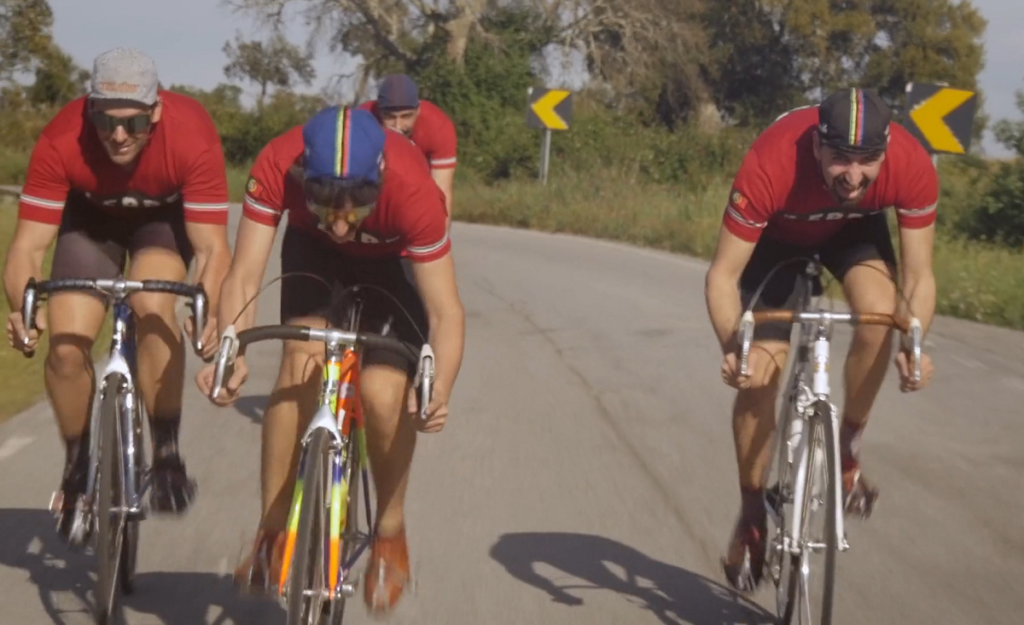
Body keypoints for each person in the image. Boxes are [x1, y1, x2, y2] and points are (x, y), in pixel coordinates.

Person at [195, 105, 465, 614]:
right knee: (299, 363)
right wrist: (232, 347)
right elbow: (246, 273)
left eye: (357, 204)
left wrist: (439, 387)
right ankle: (272, 535)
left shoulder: (413, 190)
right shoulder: (278, 161)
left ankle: (389, 532)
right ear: (304, 178)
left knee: (383, 395)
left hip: (392, 265)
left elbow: (445, 311)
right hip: (310, 255)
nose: (341, 224)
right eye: (323, 202)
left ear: (380, 177)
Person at [703, 88, 938, 592]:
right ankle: (751, 515)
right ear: (816, 148)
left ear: (887, 149)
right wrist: (733, 346)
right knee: (762, 368)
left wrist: (914, 345)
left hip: (852, 233)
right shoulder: (772, 162)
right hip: (777, 237)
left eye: (868, 161)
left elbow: (918, 279)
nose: (853, 177)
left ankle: (847, 457)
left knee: (879, 319)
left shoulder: (911, 164)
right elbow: (723, 277)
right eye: (840, 160)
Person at [2, 47, 231, 536]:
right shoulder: (63, 137)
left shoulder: (192, 134)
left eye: (134, 123)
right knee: (65, 349)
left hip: (159, 225)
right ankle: (77, 465)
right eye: (106, 120)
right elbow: (27, 248)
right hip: (90, 225)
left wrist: (205, 307)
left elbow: (211, 249)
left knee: (153, 305)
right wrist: (24, 308)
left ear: (157, 111)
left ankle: (166, 453)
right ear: (89, 109)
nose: (119, 135)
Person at [359, 74, 458, 227]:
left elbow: (442, 192)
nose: (398, 126)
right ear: (379, 112)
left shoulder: (438, 127)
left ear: (418, 110)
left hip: (417, 190)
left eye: (406, 116)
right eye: (390, 117)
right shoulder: (362, 121)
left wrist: (439, 243)